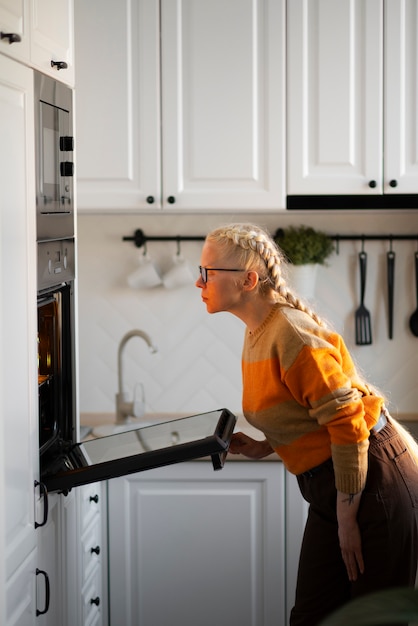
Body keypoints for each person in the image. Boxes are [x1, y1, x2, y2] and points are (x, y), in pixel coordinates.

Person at [195, 222, 418, 626]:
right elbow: (306, 410)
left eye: (208, 272)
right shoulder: (258, 330)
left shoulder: (291, 333)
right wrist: (268, 444)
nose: (199, 281)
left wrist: (348, 519)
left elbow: (349, 423)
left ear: (247, 280)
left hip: (371, 485)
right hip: (338, 487)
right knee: (312, 616)